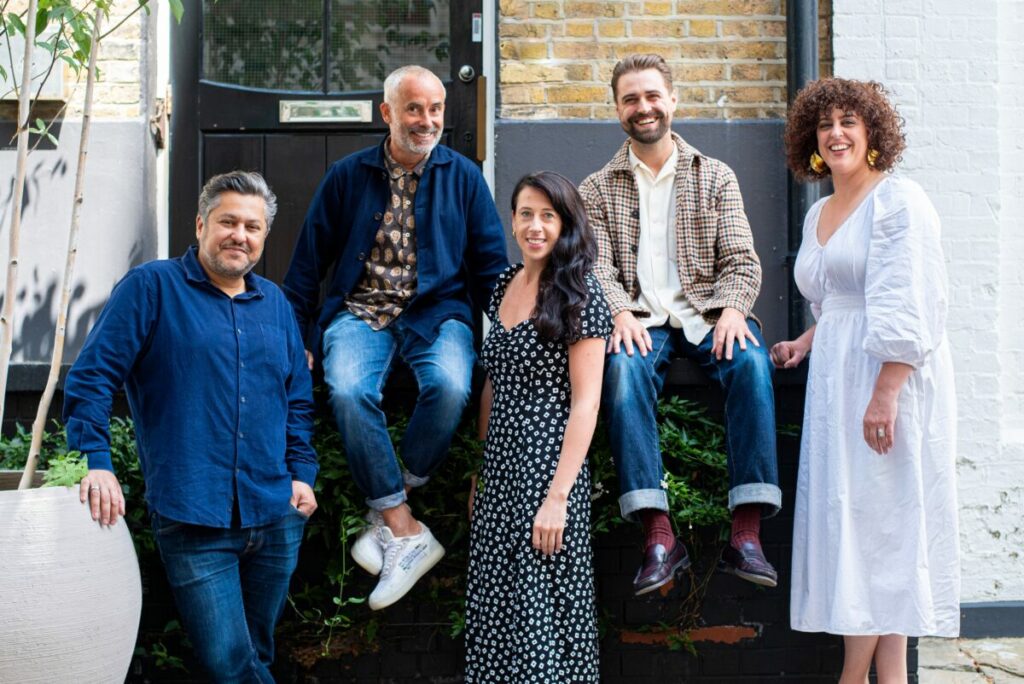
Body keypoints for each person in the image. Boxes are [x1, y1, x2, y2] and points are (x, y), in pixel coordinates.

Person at [63, 171, 318, 682]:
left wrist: (302, 473)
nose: (239, 236)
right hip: (192, 516)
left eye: (252, 226)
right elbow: (91, 378)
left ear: (263, 236)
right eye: (227, 222)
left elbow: (297, 400)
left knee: (256, 657)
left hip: (275, 514)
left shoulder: (276, 306)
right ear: (201, 224)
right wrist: (96, 461)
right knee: (230, 664)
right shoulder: (151, 289)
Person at [283, 65, 508, 610]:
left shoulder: (464, 177)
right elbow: (308, 263)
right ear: (387, 113)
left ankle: (386, 509)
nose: (427, 121)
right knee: (345, 389)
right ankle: (405, 527)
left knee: (452, 385)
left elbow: (492, 267)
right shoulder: (348, 175)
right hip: (360, 312)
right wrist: (295, 341)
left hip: (438, 313)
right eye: (413, 109)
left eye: (435, 109)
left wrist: (503, 338)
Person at [772, 78, 959, 682]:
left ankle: (853, 677)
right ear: (812, 141)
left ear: (873, 132)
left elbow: (909, 305)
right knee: (858, 522)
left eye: (850, 121)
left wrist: (886, 393)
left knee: (883, 525)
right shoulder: (819, 212)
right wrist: (807, 340)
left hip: (886, 381)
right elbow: (838, 302)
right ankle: (891, 678)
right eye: (825, 124)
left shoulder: (898, 202)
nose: (836, 133)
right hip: (837, 381)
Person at [579, 53, 781, 595]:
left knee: (753, 366)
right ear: (617, 109)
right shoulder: (596, 188)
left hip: (709, 312)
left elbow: (742, 258)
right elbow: (593, 264)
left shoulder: (715, 176)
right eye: (630, 99)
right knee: (620, 378)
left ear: (672, 101)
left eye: (651, 96)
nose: (642, 108)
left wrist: (735, 309)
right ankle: (659, 537)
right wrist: (618, 310)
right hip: (640, 320)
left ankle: (747, 533)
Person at [465, 171, 610, 681]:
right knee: (497, 606)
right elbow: (492, 384)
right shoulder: (504, 284)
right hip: (502, 468)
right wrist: (482, 472)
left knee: (540, 612)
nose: (535, 225)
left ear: (566, 224)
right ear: (512, 220)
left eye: (548, 215)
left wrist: (558, 496)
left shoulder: (580, 292)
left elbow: (586, 403)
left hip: (547, 467)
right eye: (526, 213)